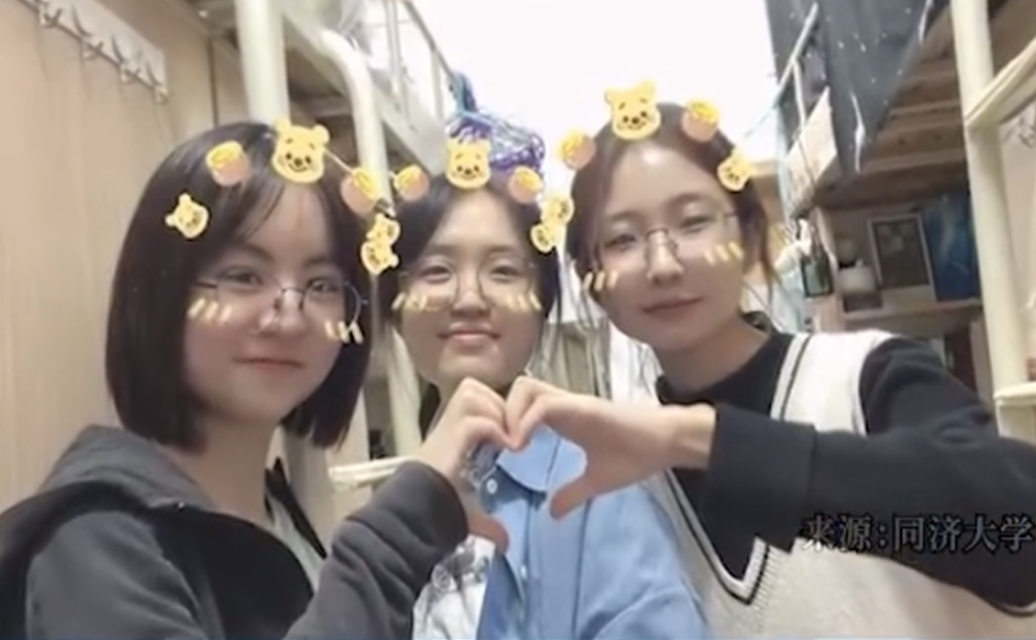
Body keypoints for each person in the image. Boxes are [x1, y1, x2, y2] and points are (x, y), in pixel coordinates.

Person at [502, 96, 1036, 637]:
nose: (662, 264)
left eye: (693, 222)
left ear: (751, 235)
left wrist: (704, 441)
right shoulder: (619, 478)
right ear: (591, 278)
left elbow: (1018, 533)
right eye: (622, 239)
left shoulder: (862, 378)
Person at [0, 121, 522, 639]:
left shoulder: (280, 518)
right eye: (243, 277)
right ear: (160, 291)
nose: (289, 318)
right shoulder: (96, 542)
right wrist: (400, 529)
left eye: (321, 284)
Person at [379, 163, 709, 639]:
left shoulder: (596, 491)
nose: (469, 298)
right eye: (436, 270)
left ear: (542, 306)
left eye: (503, 271)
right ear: (395, 305)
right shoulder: (395, 508)